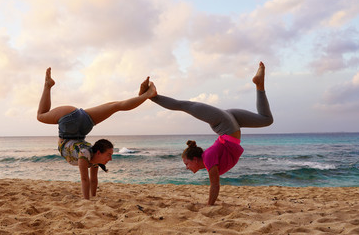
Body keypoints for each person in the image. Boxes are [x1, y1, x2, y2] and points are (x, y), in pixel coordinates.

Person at [143, 61, 273, 205]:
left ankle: (151, 96)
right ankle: (259, 85)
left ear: (195, 159)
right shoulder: (208, 160)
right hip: (230, 123)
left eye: (186, 163)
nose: (186, 167)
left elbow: (215, 185)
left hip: (225, 124)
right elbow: (215, 184)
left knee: (186, 105)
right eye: (186, 164)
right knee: (266, 120)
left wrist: (209, 205)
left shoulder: (208, 158)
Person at [37, 67, 157, 199]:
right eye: (109, 155)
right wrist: (88, 202)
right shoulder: (89, 156)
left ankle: (144, 95)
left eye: (110, 155)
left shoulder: (88, 157)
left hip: (78, 122)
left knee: (115, 105)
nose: (110, 159)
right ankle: (146, 95)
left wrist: (90, 199)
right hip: (73, 125)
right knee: (115, 106)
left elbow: (88, 180)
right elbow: (88, 180)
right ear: (98, 152)